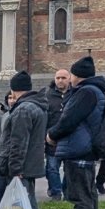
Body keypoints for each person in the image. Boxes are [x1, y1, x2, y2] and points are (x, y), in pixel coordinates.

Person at [46, 56, 105, 209]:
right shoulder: (95, 91)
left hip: (79, 149)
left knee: (81, 195)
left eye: (72, 74)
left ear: (77, 76)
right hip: (85, 149)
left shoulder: (86, 92)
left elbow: (69, 120)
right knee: (89, 194)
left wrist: (52, 135)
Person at [0, 71, 49, 209]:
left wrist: (15, 168)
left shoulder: (23, 109)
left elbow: (18, 142)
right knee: (28, 200)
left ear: (13, 89)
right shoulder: (37, 106)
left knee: (24, 202)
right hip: (32, 162)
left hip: (23, 165)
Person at [43, 70, 70, 200]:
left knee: (69, 169)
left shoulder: (74, 94)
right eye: (58, 78)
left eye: (63, 78)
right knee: (52, 168)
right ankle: (56, 192)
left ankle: (65, 190)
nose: (60, 80)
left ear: (69, 79)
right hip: (52, 139)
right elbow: (44, 118)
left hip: (69, 139)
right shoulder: (48, 96)